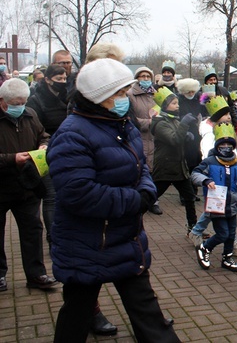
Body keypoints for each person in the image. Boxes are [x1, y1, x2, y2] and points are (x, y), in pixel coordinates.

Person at [46, 59, 179, 343]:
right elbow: (78, 193)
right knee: (76, 315)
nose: (124, 99)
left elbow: (140, 165)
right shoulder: (71, 135)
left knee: (150, 317)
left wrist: (146, 190)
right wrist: (134, 200)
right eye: (119, 94)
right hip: (85, 245)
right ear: (98, 96)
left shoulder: (121, 124)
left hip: (126, 240)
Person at [0, 78, 57, 293]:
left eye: (23, 101)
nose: (20, 106)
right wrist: (11, 158)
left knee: (33, 230)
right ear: (2, 101)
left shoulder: (30, 114)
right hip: (2, 185)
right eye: (15, 102)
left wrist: (44, 145)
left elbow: (44, 135)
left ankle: (36, 274)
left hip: (27, 185)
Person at [191, 123, 237, 272]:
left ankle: (227, 258)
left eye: (229, 144)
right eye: (223, 144)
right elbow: (195, 174)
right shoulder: (210, 162)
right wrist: (206, 180)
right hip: (216, 205)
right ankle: (205, 248)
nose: (226, 147)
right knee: (223, 233)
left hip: (232, 206)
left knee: (231, 234)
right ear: (217, 146)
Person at [26, 65, 69, 246]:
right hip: (48, 150)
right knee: (51, 197)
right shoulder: (36, 100)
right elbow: (35, 128)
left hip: (69, 149)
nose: (62, 83)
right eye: (58, 79)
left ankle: (67, 233)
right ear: (48, 79)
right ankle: (53, 238)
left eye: (64, 79)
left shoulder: (68, 97)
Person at [150, 87, 199, 234]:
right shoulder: (160, 123)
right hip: (166, 168)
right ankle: (132, 221)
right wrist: (184, 125)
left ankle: (193, 228)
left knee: (190, 198)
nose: (177, 106)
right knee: (150, 197)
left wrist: (188, 136)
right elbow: (174, 140)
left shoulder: (173, 120)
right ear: (165, 106)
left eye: (177, 103)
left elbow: (179, 136)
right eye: (173, 103)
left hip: (179, 167)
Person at [126, 66, 158, 180]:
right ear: (137, 78)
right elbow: (129, 117)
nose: (145, 78)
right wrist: (149, 122)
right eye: (142, 76)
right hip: (138, 136)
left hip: (154, 136)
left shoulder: (156, 94)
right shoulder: (130, 94)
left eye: (148, 76)